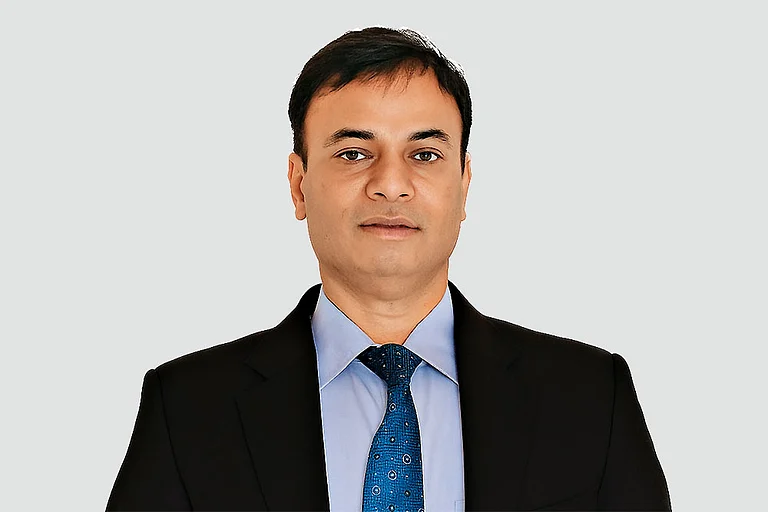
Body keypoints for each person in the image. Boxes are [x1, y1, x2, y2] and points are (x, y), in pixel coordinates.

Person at [107, 27, 671, 511]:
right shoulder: (189, 408)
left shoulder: (590, 398)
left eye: (424, 154)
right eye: (354, 153)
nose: (391, 184)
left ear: (463, 184)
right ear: (299, 185)